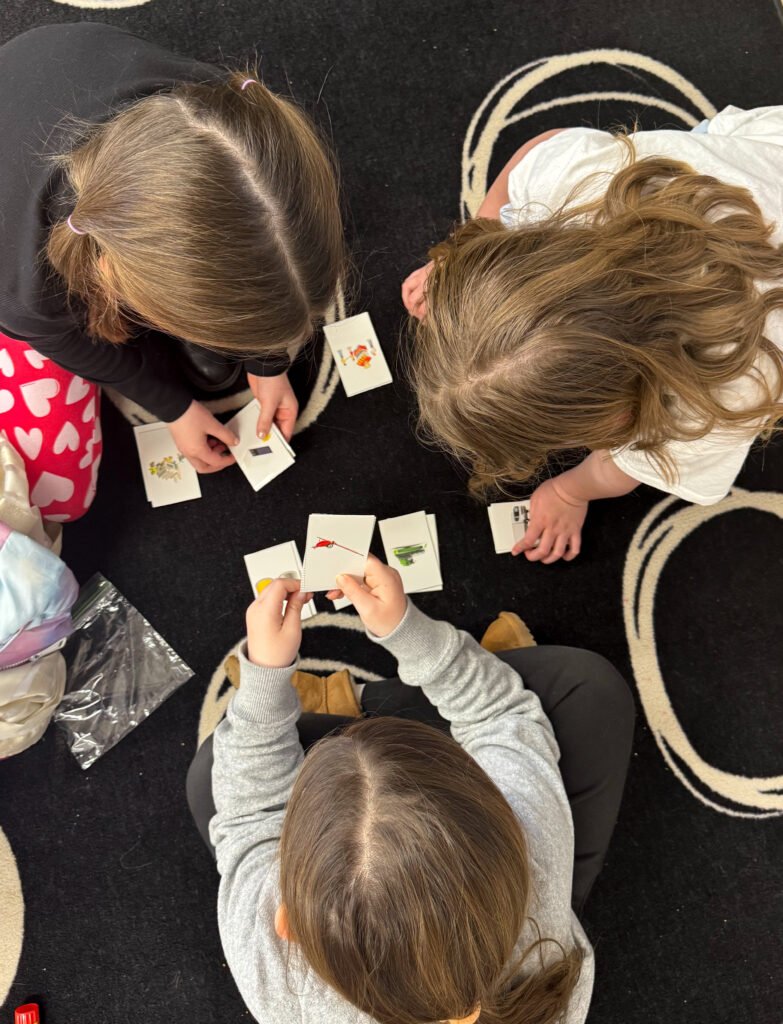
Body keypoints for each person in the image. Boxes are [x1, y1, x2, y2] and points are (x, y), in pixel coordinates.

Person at [186, 556, 634, 1024]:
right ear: (507, 833)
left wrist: (263, 681)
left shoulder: (277, 979)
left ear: (287, 924)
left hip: (521, 917)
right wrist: (410, 633)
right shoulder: (534, 856)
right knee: (587, 688)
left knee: (212, 775)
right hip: (539, 929)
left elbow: (249, 819)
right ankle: (394, 708)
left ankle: (346, 706)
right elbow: (502, 715)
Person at [403, 108, 783, 563]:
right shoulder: (576, 178)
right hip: (739, 166)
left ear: (618, 419)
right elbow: (543, 143)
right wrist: (471, 245)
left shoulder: (720, 399)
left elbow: (626, 467)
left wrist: (569, 492)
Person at [0, 22, 344, 513]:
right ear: (118, 281)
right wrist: (173, 408)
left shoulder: (220, 124)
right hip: (18, 212)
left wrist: (269, 363)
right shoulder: (24, 295)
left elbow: (263, 249)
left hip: (68, 62)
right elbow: (66, 342)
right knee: (61, 496)